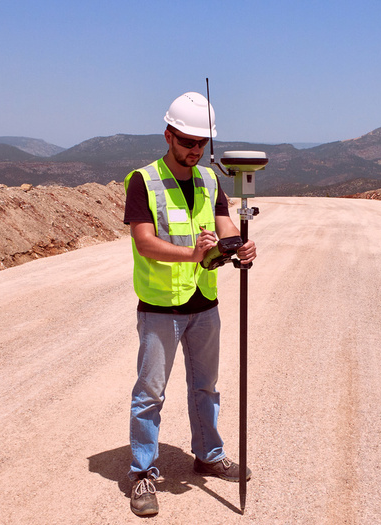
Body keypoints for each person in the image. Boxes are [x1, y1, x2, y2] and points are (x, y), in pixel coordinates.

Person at [123, 92, 255, 517]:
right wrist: (193, 256)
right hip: (161, 307)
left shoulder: (211, 181)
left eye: (201, 142)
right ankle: (142, 471)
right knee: (149, 394)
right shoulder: (143, 181)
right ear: (168, 135)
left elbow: (223, 225)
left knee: (206, 387)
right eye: (186, 141)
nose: (194, 150)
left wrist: (239, 246)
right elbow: (144, 242)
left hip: (204, 304)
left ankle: (208, 454)